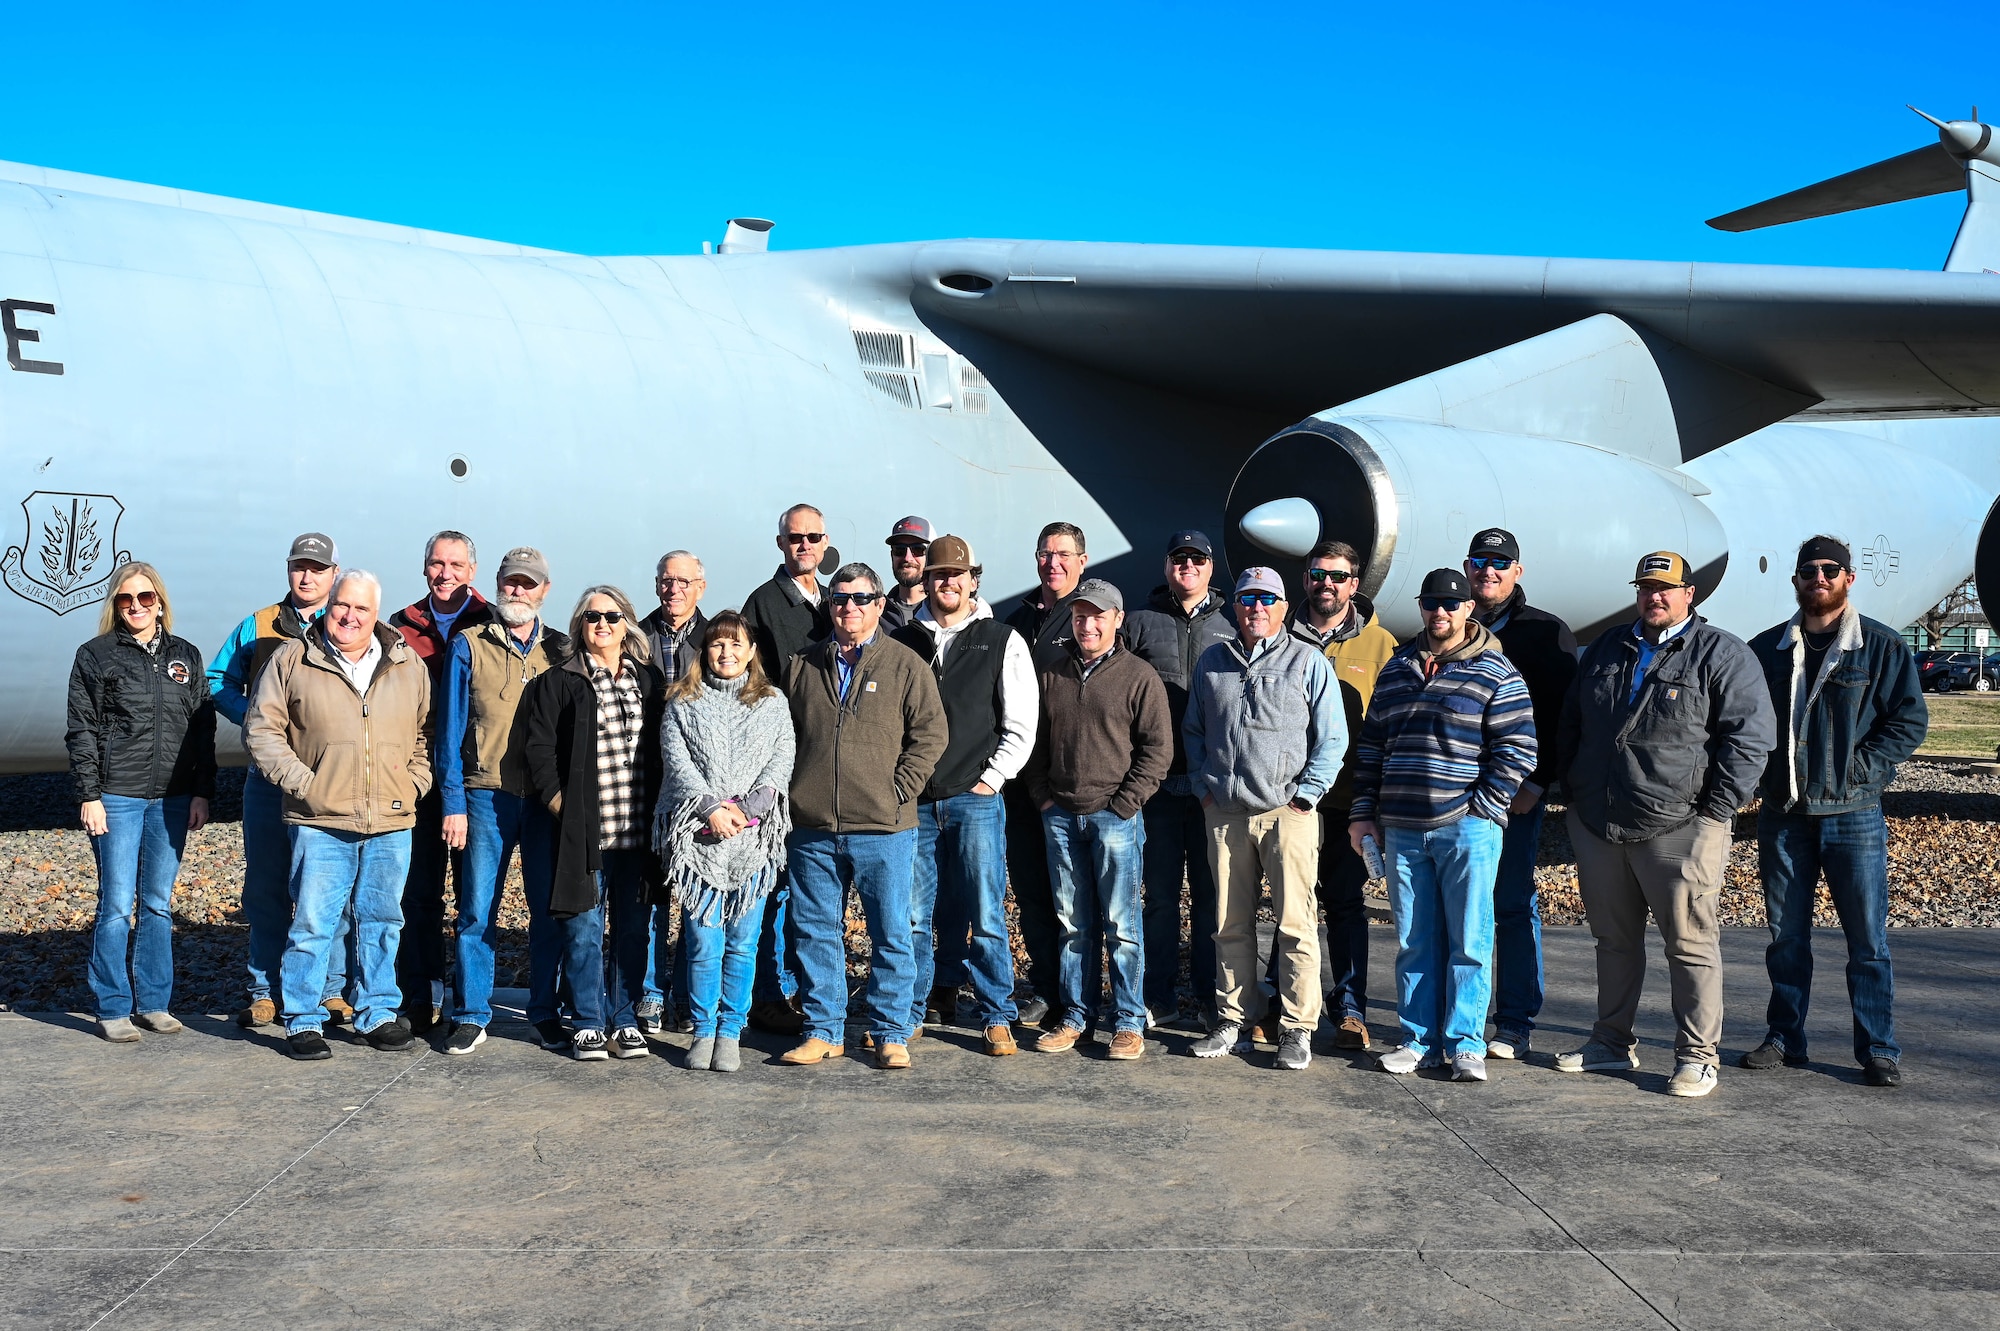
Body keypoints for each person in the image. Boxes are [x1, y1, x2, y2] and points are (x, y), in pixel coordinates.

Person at [1554, 551, 1777, 1098]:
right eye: (1646, 587)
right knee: (1613, 940)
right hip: (1601, 823)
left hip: (1681, 825)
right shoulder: (1609, 647)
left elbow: (1751, 738)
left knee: (1690, 943)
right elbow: (1572, 721)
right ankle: (1610, 1042)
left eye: (1666, 588)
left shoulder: (1721, 653)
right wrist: (1575, 791)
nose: (1655, 596)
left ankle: (1698, 1056)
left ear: (1688, 594)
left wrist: (1716, 810)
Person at [1743, 536, 1928, 1088]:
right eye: (1808, 571)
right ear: (1795, 581)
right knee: (1785, 938)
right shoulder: (1767, 649)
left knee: (1868, 940)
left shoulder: (1882, 647)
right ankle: (1785, 1037)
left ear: (1848, 577)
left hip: (1854, 815)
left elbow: (1908, 722)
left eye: (1829, 569)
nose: (1818, 578)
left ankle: (1878, 1048)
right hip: (1784, 814)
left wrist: (1860, 770)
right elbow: (1746, 723)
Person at [1349, 569, 1537, 1083]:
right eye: (1432, 604)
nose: (1441, 613)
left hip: (1468, 828)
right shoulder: (1396, 671)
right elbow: (1371, 748)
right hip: (1403, 830)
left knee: (1470, 942)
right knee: (1414, 939)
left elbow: (1519, 748)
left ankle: (1466, 1043)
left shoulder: (1497, 672)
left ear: (1468, 609)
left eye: (1451, 605)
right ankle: (1419, 1042)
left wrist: (1484, 805)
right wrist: (1364, 812)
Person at [246, 570, 432, 1060]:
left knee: (382, 919)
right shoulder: (293, 659)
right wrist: (306, 785)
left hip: (391, 819)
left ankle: (377, 1013)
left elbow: (424, 735)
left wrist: (412, 783)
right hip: (319, 819)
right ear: (330, 606)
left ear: (376, 614)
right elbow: (263, 731)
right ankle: (303, 1019)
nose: (350, 617)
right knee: (313, 922)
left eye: (362, 609)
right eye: (341, 606)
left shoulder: (406, 664)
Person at [778, 563, 948, 1070]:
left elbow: (931, 735)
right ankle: (823, 1030)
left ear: (879, 604)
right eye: (839, 598)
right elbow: (781, 736)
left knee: (892, 931)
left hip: (884, 828)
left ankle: (890, 1031)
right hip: (813, 827)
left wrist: (898, 791)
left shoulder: (905, 665)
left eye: (860, 598)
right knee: (813, 930)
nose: (848, 607)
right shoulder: (802, 665)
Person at [1185, 568, 1346, 1071]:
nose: (1257, 607)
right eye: (1247, 598)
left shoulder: (1307, 660)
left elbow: (1332, 739)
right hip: (1226, 813)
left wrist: (1306, 796)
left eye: (1267, 599)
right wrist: (1204, 788)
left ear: (1282, 606)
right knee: (1228, 924)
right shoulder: (1213, 661)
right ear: (1235, 606)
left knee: (1296, 924)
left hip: (1286, 814)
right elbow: (1193, 730)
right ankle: (1234, 1016)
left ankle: (1297, 1028)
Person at [892, 536, 1037, 1055]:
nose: (947, 582)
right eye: (937, 574)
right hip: (915, 802)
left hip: (975, 798)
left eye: (957, 573)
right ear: (924, 581)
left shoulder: (1001, 639)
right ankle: (907, 1013)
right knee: (911, 915)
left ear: (974, 578)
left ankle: (997, 1014)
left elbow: (1020, 724)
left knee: (987, 911)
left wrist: (990, 780)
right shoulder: (904, 641)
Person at [66, 562, 215, 1043]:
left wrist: (202, 791)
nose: (135, 606)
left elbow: (203, 732)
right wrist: (89, 794)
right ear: (115, 604)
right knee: (114, 905)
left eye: (145, 598)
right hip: (118, 797)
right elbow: (82, 730)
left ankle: (154, 1003)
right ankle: (112, 1006)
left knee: (157, 905)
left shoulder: (186, 657)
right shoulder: (96, 656)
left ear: (160, 602)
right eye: (126, 599)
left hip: (172, 800)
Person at [208, 532, 352, 1029]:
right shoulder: (258, 624)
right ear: (288, 570)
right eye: (299, 567)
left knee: (326, 886)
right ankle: (265, 990)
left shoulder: (350, 622)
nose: (307, 576)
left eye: (317, 568)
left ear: (334, 573)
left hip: (327, 777)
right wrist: (251, 717)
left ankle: (330, 989)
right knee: (267, 886)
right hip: (268, 778)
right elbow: (215, 680)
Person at [1024, 579, 1173, 1059]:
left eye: (1097, 616)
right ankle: (1076, 1016)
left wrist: (1125, 804)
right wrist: (1044, 798)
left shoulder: (1139, 677)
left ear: (1116, 620)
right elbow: (1035, 745)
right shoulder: (1053, 674)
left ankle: (1129, 1021)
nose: (1086, 624)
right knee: (1073, 924)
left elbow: (1157, 752)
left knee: (1122, 924)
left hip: (1115, 819)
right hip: (1062, 817)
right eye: (1080, 615)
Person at [522, 586, 668, 1061]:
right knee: (583, 926)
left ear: (626, 623)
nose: (602, 624)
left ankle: (624, 1018)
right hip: (584, 829)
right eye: (591, 617)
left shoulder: (649, 681)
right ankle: (587, 1020)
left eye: (611, 616)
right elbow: (539, 748)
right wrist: (560, 802)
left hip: (637, 827)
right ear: (579, 626)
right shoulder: (558, 681)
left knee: (633, 928)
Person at [435, 547, 568, 1055]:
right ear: (496, 584)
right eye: (510, 582)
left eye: (528, 584)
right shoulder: (470, 645)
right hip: (485, 796)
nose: (518, 591)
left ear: (544, 591)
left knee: (547, 909)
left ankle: (545, 1011)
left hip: (543, 801)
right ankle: (471, 1012)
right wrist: (452, 802)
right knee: (475, 910)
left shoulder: (560, 649)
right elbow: (449, 731)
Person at [654, 611, 795, 1072]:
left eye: (736, 645)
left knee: (743, 943)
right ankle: (703, 1028)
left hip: (753, 843)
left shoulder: (772, 702)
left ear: (751, 651)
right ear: (704, 652)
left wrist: (748, 811)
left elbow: (781, 759)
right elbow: (677, 762)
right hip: (700, 839)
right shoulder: (681, 702)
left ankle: (731, 1031)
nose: (727, 653)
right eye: (717, 644)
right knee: (702, 942)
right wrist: (711, 808)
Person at [1464, 528, 1577, 1061]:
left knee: (1510, 906)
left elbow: (1562, 717)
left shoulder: (1544, 633)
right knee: (1461, 909)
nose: (1489, 571)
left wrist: (1536, 783)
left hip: (1514, 796)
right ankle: (1462, 1014)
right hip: (1455, 796)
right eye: (1481, 561)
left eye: (1500, 563)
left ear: (1518, 571)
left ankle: (1512, 1022)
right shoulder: (1449, 625)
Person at [1285, 538, 1397, 1050]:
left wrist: (1374, 802)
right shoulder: (1282, 633)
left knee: (1345, 903)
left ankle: (1350, 1005)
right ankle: (1281, 1001)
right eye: (1317, 574)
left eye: (1336, 576)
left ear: (1354, 584)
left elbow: (1389, 729)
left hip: (1349, 803)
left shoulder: (1382, 647)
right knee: (1292, 903)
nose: (1325, 584)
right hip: (1287, 800)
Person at [1122, 529, 1235, 1028]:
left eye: (1197, 559)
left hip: (1214, 786)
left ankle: (1213, 999)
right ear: (1167, 566)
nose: (1187, 567)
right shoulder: (1141, 623)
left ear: (1211, 567)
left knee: (1214, 899)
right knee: (1161, 897)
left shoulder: (1232, 624)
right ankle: (1159, 996)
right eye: (1178, 559)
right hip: (1158, 785)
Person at [389, 530, 493, 1032]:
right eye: (436, 563)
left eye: (455, 564)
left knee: (473, 896)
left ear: (472, 572)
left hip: (471, 778)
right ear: (425, 567)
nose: (445, 573)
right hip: (416, 775)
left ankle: (468, 997)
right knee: (419, 892)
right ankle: (420, 994)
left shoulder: (492, 623)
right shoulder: (400, 627)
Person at [738, 503, 834, 1036]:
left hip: (826, 764)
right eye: (794, 538)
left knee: (812, 888)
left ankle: (804, 989)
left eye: (812, 537)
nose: (803, 545)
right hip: (781, 764)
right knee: (773, 887)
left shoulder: (836, 601)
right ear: (780, 543)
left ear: (825, 543)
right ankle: (769, 995)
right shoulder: (763, 604)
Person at [1002, 520, 1089, 1025]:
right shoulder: (1016, 621)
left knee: (1075, 897)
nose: (1052, 563)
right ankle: (1045, 987)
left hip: (1071, 781)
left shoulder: (1089, 620)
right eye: (1044, 553)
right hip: (1022, 782)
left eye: (1063, 554)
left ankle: (1080, 997)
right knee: (1033, 889)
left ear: (1081, 560)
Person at [636, 549, 710, 1035]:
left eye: (683, 581)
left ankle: (686, 995)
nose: (674, 590)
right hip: (646, 782)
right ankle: (649, 993)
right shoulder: (635, 638)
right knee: (652, 893)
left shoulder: (719, 638)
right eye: (666, 580)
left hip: (701, 784)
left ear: (700, 586)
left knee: (696, 891)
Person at [880, 515, 932, 631]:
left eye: (918, 549)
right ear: (892, 556)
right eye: (900, 550)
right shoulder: (878, 614)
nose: (908, 558)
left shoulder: (941, 613)